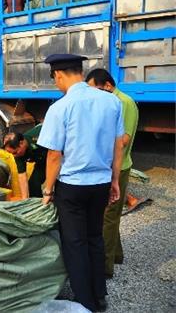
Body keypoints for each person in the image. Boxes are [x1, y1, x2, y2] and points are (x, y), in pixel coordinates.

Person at [37, 54, 124, 312]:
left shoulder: (60, 107)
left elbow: (54, 155)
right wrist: (115, 181)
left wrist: (47, 189)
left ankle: (85, 303)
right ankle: (100, 295)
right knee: (95, 237)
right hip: (101, 183)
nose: (56, 84)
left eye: (55, 79)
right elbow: (118, 145)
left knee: (75, 244)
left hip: (72, 187)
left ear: (59, 75)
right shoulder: (111, 102)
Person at [86, 68, 139, 278]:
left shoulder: (123, 102)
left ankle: (104, 267)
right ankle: (116, 255)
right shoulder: (110, 101)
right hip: (110, 166)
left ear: (107, 85)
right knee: (110, 214)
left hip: (118, 167)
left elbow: (123, 140)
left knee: (107, 217)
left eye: (95, 90)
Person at [2, 124, 47, 199]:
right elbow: (22, 175)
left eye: (15, 152)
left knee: (60, 187)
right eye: (11, 153)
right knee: (33, 187)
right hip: (41, 161)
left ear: (21, 143)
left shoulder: (39, 138)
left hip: (58, 156)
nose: (14, 156)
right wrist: (24, 201)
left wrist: (49, 187)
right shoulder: (18, 154)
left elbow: (55, 156)